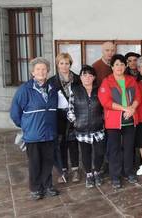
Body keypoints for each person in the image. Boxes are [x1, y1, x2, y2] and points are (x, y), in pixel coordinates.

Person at [10, 57, 60, 200]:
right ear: (32, 72)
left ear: (48, 71)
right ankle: (36, 188)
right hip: (33, 134)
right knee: (35, 162)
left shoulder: (52, 89)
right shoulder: (24, 90)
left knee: (48, 161)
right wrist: (26, 126)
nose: (41, 71)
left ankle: (48, 185)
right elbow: (15, 113)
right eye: (38, 69)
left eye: (44, 69)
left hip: (49, 133)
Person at [98, 54, 141, 188]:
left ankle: (128, 172)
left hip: (130, 119)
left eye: (122, 64)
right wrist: (125, 108)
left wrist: (132, 109)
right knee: (114, 149)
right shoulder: (107, 81)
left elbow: (138, 96)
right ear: (112, 66)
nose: (119, 67)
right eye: (116, 64)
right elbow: (105, 101)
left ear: (125, 66)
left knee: (129, 148)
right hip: (113, 121)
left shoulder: (131, 80)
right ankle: (115, 176)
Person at [67, 65, 105, 188]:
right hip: (82, 129)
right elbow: (70, 110)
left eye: (90, 75)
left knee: (99, 152)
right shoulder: (75, 91)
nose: (87, 78)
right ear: (81, 77)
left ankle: (97, 171)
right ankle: (89, 174)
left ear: (94, 77)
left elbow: (105, 107)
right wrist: (75, 122)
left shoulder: (99, 90)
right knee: (85, 153)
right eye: (84, 75)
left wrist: (103, 120)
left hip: (98, 128)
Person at [48, 53, 81, 184]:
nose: (64, 66)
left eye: (67, 63)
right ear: (57, 64)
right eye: (61, 63)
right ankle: (63, 171)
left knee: (73, 143)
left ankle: (75, 170)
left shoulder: (77, 79)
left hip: (74, 115)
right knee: (61, 144)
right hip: (59, 116)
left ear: (70, 64)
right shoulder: (52, 81)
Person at [92, 41, 116, 175]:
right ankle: (100, 165)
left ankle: (111, 163)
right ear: (102, 51)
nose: (110, 53)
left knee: (113, 138)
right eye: (107, 50)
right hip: (100, 109)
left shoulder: (117, 65)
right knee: (101, 140)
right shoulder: (96, 66)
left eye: (112, 50)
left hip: (116, 108)